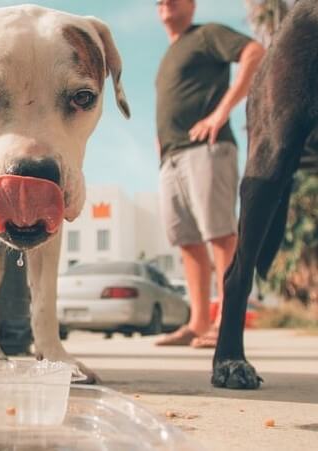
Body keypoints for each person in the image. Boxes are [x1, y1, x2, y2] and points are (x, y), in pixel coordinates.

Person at [154, 0, 265, 347]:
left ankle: (226, 323)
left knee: (219, 235)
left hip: (207, 149)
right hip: (171, 158)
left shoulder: (206, 35)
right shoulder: (168, 56)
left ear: (192, 4)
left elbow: (255, 51)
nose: (165, 3)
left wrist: (221, 113)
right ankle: (198, 322)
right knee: (186, 241)